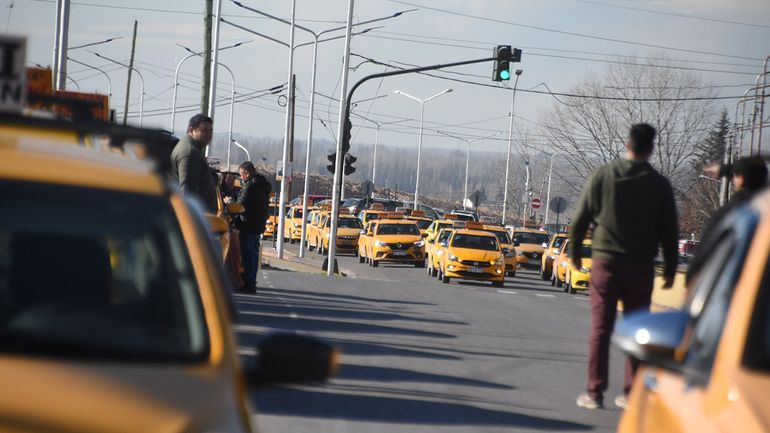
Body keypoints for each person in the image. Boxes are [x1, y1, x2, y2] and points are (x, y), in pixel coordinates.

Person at [571, 123, 679, 410]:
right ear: (651, 148)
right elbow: (670, 230)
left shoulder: (603, 175)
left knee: (600, 328)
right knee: (639, 331)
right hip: (641, 266)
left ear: (626, 143)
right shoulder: (659, 185)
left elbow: (580, 218)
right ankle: (632, 394)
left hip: (605, 263)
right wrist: (670, 267)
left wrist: (574, 252)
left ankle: (594, 393)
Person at [687, 155, 768, 283]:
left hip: (730, 285)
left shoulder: (732, 213)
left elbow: (706, 247)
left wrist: (691, 278)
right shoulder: (765, 211)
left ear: (740, 179)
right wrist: (726, 170)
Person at [236, 161, 271, 293]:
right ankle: (252, 282)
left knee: (248, 256)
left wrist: (230, 203)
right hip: (258, 225)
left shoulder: (250, 186)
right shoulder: (263, 185)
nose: (241, 177)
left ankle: (249, 283)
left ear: (247, 173)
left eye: (241, 174)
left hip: (248, 224)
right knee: (254, 255)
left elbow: (241, 205)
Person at [171, 114, 218, 212]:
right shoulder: (189, 153)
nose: (209, 134)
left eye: (210, 130)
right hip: (195, 219)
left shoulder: (194, 149)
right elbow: (188, 194)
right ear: (191, 130)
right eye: (204, 130)